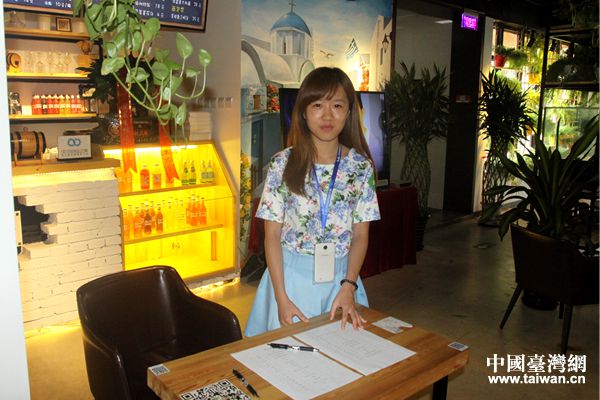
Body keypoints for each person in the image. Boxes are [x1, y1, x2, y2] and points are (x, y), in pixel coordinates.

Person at [244, 67, 380, 337]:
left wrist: (349, 285)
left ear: (349, 112)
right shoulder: (283, 163)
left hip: (342, 283)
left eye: (337, 105)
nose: (327, 115)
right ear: (304, 112)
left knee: (342, 355)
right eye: (317, 105)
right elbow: (272, 236)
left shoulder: (360, 168)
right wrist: (280, 297)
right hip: (289, 282)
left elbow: (361, 235)